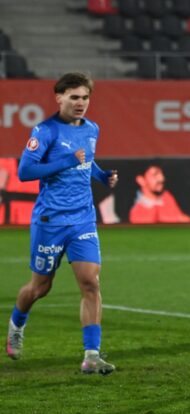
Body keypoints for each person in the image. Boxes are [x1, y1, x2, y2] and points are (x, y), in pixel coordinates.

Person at [5, 72, 119, 375]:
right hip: (51, 221)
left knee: (91, 283)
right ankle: (17, 324)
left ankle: (91, 356)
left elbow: (86, 160)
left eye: (85, 97)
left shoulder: (92, 128)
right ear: (59, 98)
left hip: (82, 219)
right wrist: (66, 161)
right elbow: (25, 171)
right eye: (74, 97)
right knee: (40, 287)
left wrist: (102, 175)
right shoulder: (45, 131)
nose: (81, 103)